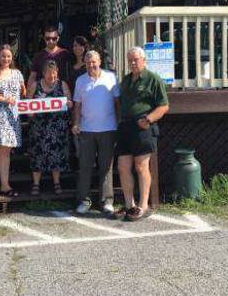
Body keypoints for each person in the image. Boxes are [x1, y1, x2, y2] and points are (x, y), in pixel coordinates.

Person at [115, 46, 169, 221]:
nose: (132, 62)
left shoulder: (153, 79)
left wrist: (149, 119)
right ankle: (129, 204)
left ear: (144, 60)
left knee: (141, 166)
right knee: (123, 166)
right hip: (125, 126)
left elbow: (163, 106)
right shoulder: (125, 80)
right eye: (130, 59)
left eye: (136, 59)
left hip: (143, 126)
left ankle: (143, 205)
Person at [72, 50, 120, 216]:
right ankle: (84, 201)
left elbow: (117, 102)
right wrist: (76, 123)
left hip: (108, 128)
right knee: (85, 167)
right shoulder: (80, 80)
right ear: (84, 63)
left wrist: (119, 122)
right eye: (88, 62)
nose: (91, 65)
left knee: (106, 167)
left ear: (100, 61)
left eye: (94, 61)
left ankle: (106, 201)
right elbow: (77, 105)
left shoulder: (111, 77)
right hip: (86, 129)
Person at [0, 44, 26, 200]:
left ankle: (5, 184)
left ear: (11, 57)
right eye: (3, 56)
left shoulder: (17, 73)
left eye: (8, 56)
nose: (6, 59)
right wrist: (4, 99)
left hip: (10, 119)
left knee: (6, 153)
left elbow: (23, 91)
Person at [27, 60, 73, 196]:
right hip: (39, 128)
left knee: (57, 156)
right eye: (48, 75)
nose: (51, 77)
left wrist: (69, 103)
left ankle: (57, 183)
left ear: (57, 73)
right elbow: (28, 100)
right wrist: (29, 111)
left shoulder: (62, 84)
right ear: (43, 74)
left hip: (58, 128)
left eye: (54, 74)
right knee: (37, 155)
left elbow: (69, 101)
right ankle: (36, 184)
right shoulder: (35, 85)